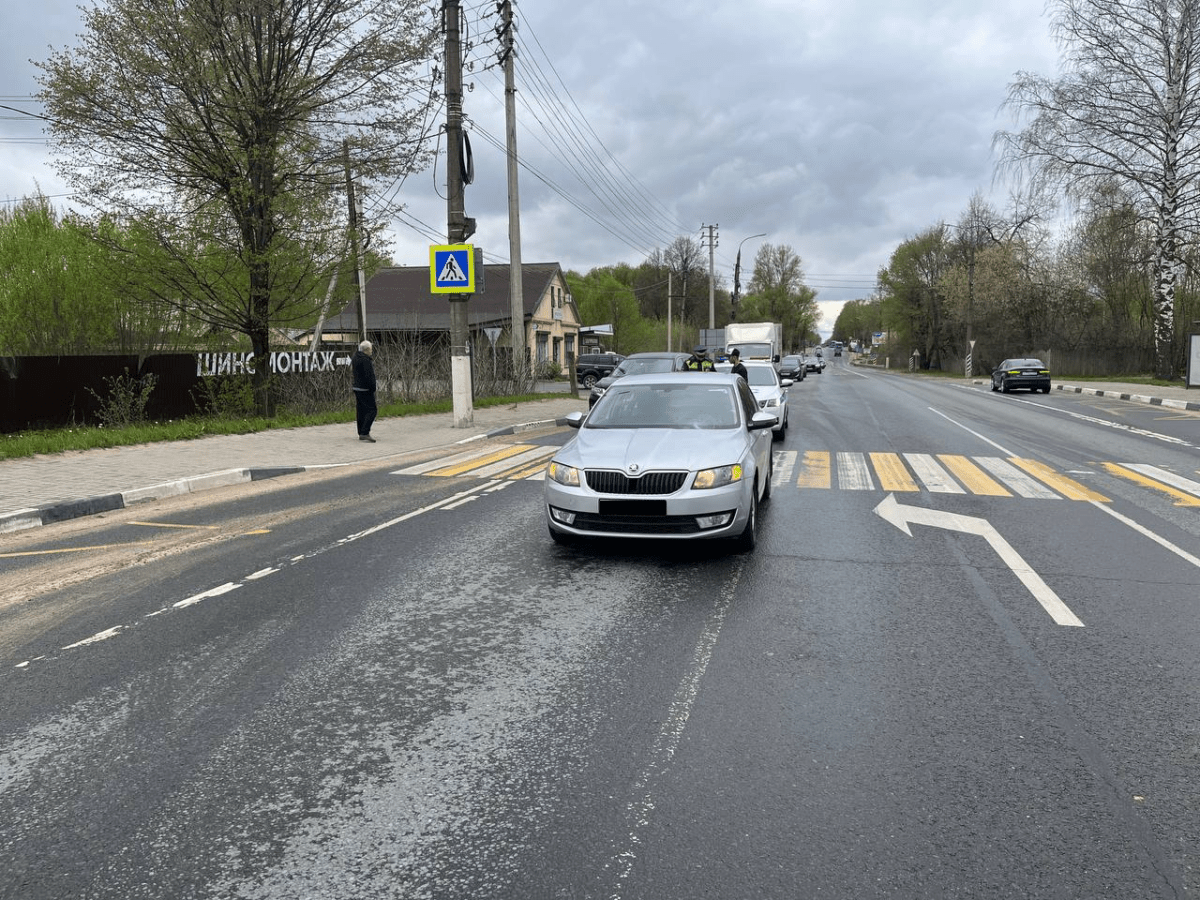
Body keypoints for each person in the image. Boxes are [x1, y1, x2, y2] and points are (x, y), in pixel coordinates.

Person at [351, 339, 377, 442]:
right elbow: (369, 376)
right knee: (372, 410)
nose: (371, 351)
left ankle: (361, 431)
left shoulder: (355, 358)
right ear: (367, 350)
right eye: (371, 349)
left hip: (357, 387)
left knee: (361, 410)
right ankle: (365, 432)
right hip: (365, 389)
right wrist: (373, 387)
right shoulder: (366, 360)